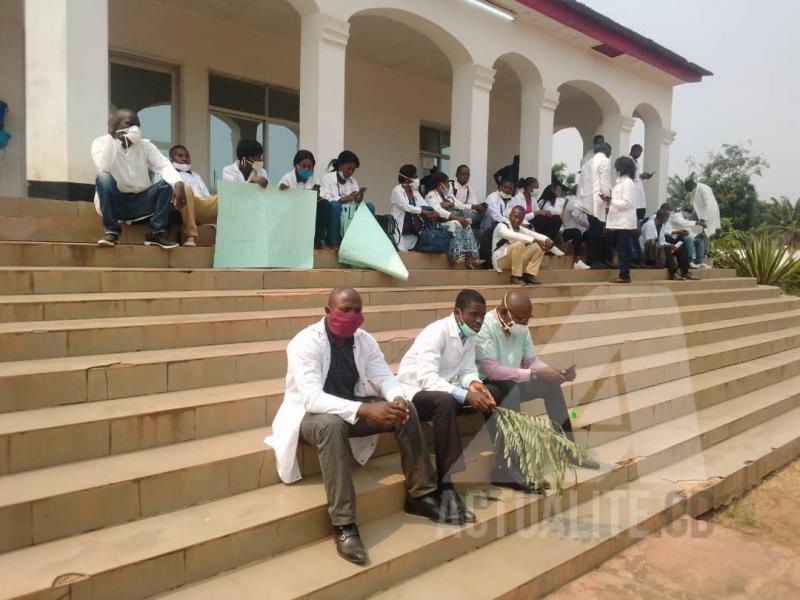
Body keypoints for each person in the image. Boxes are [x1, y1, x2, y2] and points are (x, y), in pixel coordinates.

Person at [265, 288, 449, 566]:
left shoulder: (364, 340)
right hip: (308, 416)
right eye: (345, 310)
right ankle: (343, 524)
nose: (352, 316)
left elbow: (383, 376)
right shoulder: (305, 343)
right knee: (330, 426)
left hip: (349, 409)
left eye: (357, 310)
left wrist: (396, 398)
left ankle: (421, 495)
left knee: (405, 409)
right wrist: (365, 408)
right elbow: (312, 398)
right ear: (328, 312)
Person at [476, 290, 600, 493]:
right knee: (509, 389)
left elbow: (531, 360)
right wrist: (536, 374)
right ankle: (508, 469)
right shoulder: (485, 328)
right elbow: (492, 370)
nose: (524, 324)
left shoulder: (520, 327)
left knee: (549, 385)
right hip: (486, 384)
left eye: (527, 319)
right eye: (520, 319)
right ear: (503, 312)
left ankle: (568, 449)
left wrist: (551, 372)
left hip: (513, 378)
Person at [398, 289, 498, 524]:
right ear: (458, 313)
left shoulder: (470, 334)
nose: (479, 321)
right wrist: (465, 396)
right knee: (445, 401)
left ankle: (508, 463)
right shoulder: (436, 333)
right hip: (414, 392)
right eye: (474, 315)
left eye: (482, 316)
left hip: (444, 388)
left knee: (492, 391)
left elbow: (466, 369)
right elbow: (427, 378)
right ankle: (447, 484)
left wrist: (474, 384)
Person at [91, 109, 183, 249]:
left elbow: (163, 165)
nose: (134, 128)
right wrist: (113, 138)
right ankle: (112, 231)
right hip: (115, 203)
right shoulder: (101, 143)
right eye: (129, 124)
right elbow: (103, 166)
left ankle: (155, 233)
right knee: (103, 177)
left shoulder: (145, 146)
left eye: (136, 125)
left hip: (140, 201)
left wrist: (178, 183)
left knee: (168, 183)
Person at [425, 172, 482, 268]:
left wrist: (473, 206)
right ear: (440, 184)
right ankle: (457, 256)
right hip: (437, 225)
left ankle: (471, 257)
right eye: (447, 182)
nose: (449, 185)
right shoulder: (431, 195)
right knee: (456, 223)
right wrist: (457, 218)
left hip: (448, 223)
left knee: (466, 223)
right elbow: (438, 211)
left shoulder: (447, 197)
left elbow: (460, 205)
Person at [319, 150, 375, 248]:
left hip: (349, 214)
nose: (350, 172)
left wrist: (358, 199)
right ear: (340, 166)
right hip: (335, 213)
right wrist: (343, 199)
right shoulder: (327, 178)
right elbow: (325, 199)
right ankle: (333, 242)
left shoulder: (353, 181)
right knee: (334, 205)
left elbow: (355, 200)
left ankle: (362, 242)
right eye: (349, 169)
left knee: (370, 206)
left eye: (353, 170)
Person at [279, 150, 331, 249]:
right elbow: (280, 198)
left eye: (310, 167)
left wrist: (318, 196)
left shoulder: (315, 177)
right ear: (296, 165)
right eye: (304, 166)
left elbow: (325, 195)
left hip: (309, 209)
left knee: (325, 204)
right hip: (293, 210)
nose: (307, 169)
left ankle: (317, 239)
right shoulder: (287, 179)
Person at [168, 144, 216, 247]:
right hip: (182, 206)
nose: (184, 158)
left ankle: (224, 238)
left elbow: (206, 196)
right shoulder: (166, 173)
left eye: (187, 156)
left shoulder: (196, 175)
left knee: (224, 197)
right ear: (171, 159)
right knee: (185, 187)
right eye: (180, 156)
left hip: (200, 205)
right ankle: (191, 236)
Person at [577, 139, 613, 269]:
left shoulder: (588, 163)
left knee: (595, 230)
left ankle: (600, 259)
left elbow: (581, 184)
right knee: (598, 231)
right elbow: (605, 181)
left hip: (587, 200)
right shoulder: (604, 160)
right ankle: (594, 259)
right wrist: (608, 198)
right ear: (607, 151)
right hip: (599, 201)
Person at [492, 206, 550, 285]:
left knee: (538, 246)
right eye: (515, 217)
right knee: (519, 244)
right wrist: (534, 240)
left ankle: (528, 274)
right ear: (510, 215)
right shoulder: (501, 226)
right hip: (500, 260)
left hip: (514, 261)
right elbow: (514, 235)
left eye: (520, 219)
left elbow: (532, 233)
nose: (517, 220)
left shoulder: (519, 228)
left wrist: (546, 240)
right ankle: (515, 277)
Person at [641, 205, 698, 281]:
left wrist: (671, 245)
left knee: (679, 248)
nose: (667, 219)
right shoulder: (649, 225)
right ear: (660, 217)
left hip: (658, 250)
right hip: (648, 253)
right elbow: (649, 243)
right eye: (666, 217)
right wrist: (666, 246)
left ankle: (685, 271)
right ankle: (673, 273)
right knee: (666, 250)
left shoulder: (661, 226)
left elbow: (662, 241)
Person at [390, 164, 438, 252]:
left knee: (429, 211)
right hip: (402, 227)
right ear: (407, 179)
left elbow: (424, 205)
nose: (417, 179)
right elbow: (407, 207)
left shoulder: (415, 192)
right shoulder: (397, 190)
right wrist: (423, 211)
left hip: (414, 227)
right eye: (415, 176)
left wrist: (433, 212)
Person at [606, 156, 638, 284]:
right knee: (620, 248)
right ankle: (623, 273)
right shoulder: (620, 182)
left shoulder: (628, 182)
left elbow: (627, 202)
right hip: (617, 221)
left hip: (624, 222)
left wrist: (611, 201)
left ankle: (624, 275)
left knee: (623, 249)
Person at [685, 179, 721, 268]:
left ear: (693, 185)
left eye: (690, 190)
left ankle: (701, 257)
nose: (690, 192)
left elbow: (708, 205)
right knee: (692, 230)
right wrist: (686, 216)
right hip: (699, 212)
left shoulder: (703, 189)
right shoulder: (694, 190)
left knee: (704, 234)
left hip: (709, 213)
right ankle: (697, 256)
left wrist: (703, 219)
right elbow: (692, 204)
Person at [448, 164, 486, 230]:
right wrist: (472, 206)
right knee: (465, 211)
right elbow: (454, 203)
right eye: (463, 174)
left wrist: (480, 207)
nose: (466, 177)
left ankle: (486, 235)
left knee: (487, 213)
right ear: (456, 175)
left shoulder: (469, 189)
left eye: (468, 175)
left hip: (466, 214)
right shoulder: (450, 186)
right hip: (454, 213)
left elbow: (473, 204)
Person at [562, 185, 591, 270]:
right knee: (576, 232)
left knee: (591, 234)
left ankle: (591, 259)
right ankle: (577, 261)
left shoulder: (581, 203)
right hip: (568, 231)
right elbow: (578, 219)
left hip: (580, 231)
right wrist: (591, 225)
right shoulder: (573, 202)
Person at [531, 180, 566, 248]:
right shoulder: (543, 202)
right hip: (543, 228)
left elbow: (561, 217)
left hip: (555, 230)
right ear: (553, 191)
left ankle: (550, 244)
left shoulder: (558, 202)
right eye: (558, 191)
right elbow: (554, 212)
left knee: (557, 219)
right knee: (556, 218)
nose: (560, 192)